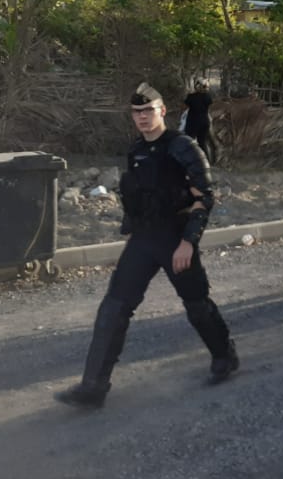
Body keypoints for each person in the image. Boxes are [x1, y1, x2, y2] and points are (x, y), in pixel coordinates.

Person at [55, 83, 239, 409]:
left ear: (162, 111)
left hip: (175, 238)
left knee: (197, 304)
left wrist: (188, 243)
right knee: (113, 309)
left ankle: (224, 355)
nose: (142, 117)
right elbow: (135, 195)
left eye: (148, 110)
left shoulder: (183, 147)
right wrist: (130, 231)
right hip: (143, 240)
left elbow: (205, 198)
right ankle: (93, 386)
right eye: (136, 112)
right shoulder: (137, 149)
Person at [182, 79, 218, 165]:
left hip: (193, 122)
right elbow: (210, 105)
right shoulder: (208, 97)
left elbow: (185, 104)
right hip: (205, 122)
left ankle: (187, 161)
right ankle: (206, 162)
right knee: (202, 142)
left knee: (188, 142)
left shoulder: (191, 97)